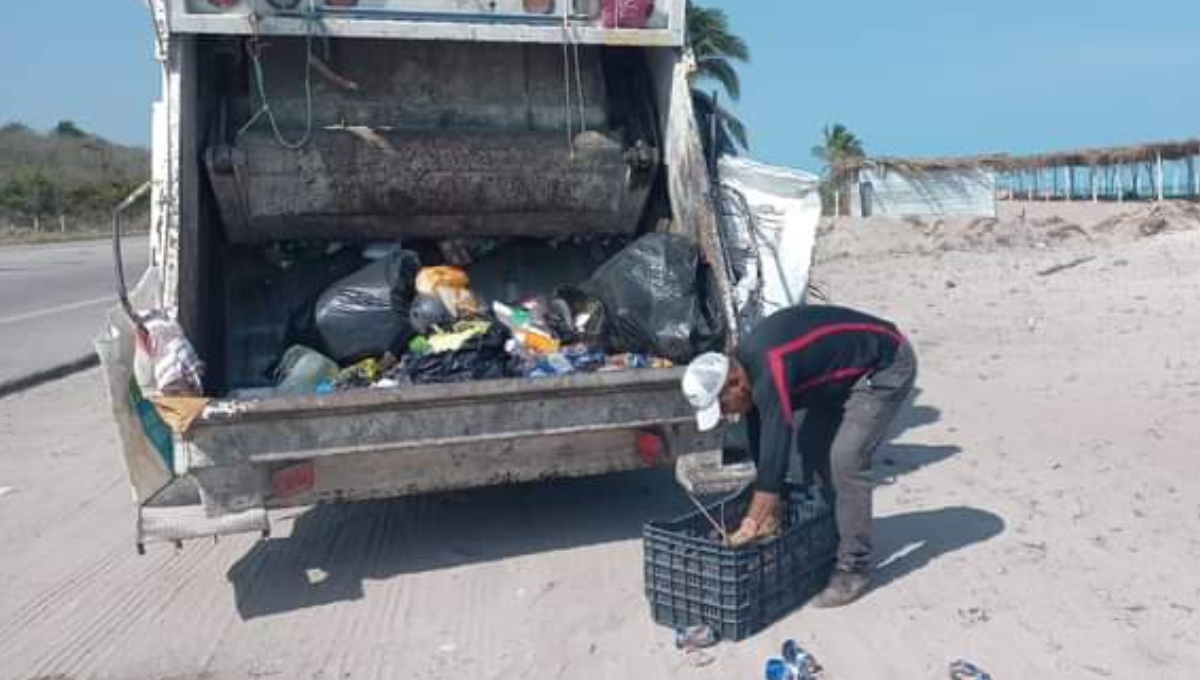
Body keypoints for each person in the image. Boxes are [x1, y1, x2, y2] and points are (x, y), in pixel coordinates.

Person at [681, 304, 917, 607]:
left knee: (845, 459)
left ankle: (854, 567)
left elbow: (777, 450)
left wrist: (750, 525)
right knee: (811, 446)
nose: (726, 415)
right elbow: (761, 443)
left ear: (735, 384)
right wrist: (770, 507)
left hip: (884, 366)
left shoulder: (770, 367)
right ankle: (832, 535)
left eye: (723, 407)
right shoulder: (746, 373)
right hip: (837, 377)